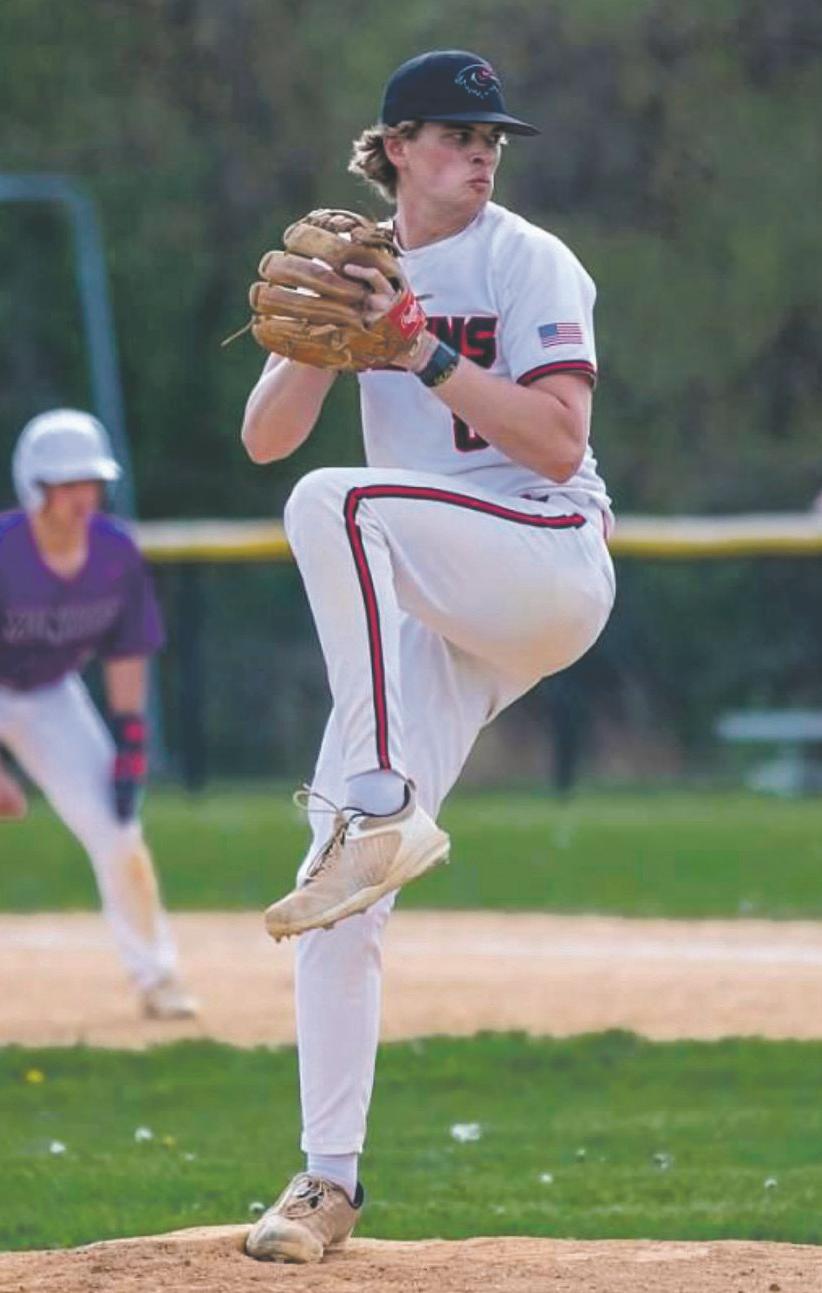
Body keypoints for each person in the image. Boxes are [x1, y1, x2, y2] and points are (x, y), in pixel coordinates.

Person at [241, 49, 615, 1263]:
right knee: (335, 888)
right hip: (441, 600)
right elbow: (263, 437)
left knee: (336, 501)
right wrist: (327, 332)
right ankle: (327, 1182)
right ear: (395, 146)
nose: (481, 151)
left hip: (545, 558)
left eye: (491, 135)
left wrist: (421, 351)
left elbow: (559, 445)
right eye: (456, 133)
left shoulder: (528, 259)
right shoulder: (363, 267)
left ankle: (384, 801)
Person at [0, 408, 197, 1020]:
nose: (82, 496)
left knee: (117, 830)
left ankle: (158, 978)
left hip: (49, 693)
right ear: (35, 487)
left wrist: (130, 739)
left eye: (90, 482)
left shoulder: (113, 552)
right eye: (67, 484)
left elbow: (127, 649)